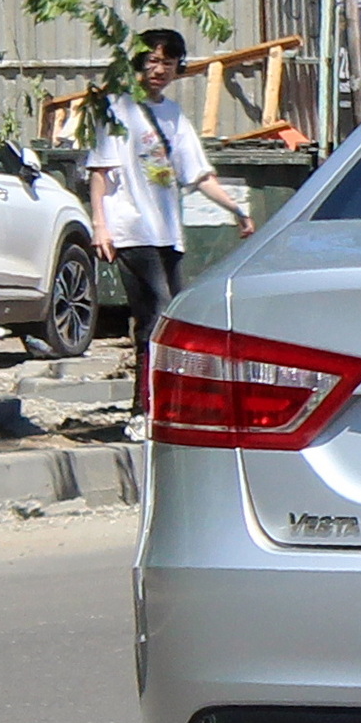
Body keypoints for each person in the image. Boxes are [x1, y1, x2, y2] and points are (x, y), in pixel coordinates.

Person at [84, 29, 254, 439]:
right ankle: (142, 411)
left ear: (179, 67)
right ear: (138, 63)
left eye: (168, 62)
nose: (159, 70)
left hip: (167, 233)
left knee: (174, 321)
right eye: (152, 61)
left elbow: (198, 174)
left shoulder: (174, 115)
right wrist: (100, 225)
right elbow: (100, 172)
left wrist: (237, 209)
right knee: (154, 315)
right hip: (130, 228)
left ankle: (168, 408)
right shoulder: (117, 109)